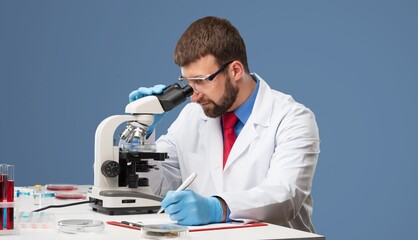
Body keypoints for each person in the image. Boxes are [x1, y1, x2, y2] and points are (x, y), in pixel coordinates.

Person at [129, 16, 320, 232]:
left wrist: (218, 208)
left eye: (201, 81)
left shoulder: (292, 118)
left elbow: (286, 196)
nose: (193, 96)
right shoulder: (193, 116)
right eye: (188, 82)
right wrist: (142, 131)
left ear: (235, 70)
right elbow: (157, 188)